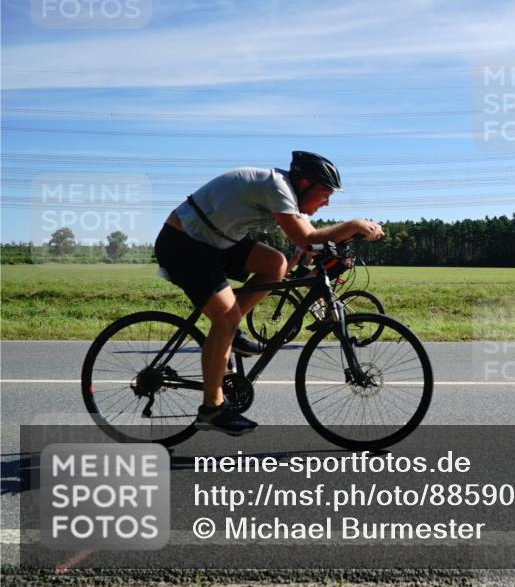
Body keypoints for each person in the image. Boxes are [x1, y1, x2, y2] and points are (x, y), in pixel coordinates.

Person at [153, 151, 384, 436]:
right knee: (226, 317)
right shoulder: (278, 187)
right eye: (325, 194)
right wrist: (353, 225)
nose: (327, 202)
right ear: (305, 184)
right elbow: (307, 239)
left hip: (215, 241)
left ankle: (228, 333)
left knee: (276, 264)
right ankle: (212, 409)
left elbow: (308, 243)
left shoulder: (289, 195)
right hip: (184, 243)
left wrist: (327, 248)